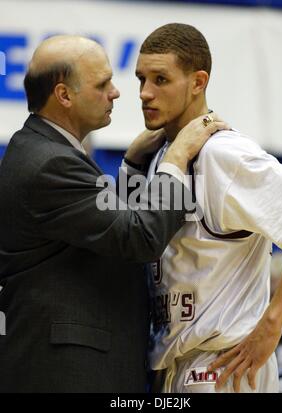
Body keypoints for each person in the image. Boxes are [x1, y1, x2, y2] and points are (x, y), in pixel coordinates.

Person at [0, 35, 227, 392]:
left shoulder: (42, 149)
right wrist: (176, 159)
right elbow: (140, 238)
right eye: (103, 84)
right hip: (69, 374)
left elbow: (102, 227)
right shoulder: (50, 163)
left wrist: (134, 167)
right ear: (64, 96)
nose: (118, 93)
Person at [134, 23, 282, 393]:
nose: (145, 93)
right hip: (177, 363)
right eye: (141, 79)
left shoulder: (225, 154)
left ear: (198, 82)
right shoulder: (163, 153)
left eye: (161, 79)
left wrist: (273, 322)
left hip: (225, 365)